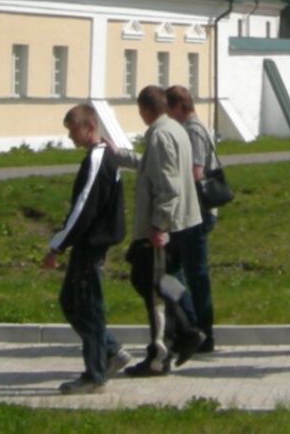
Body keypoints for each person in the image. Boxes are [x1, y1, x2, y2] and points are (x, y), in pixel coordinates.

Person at [40, 104, 129, 394]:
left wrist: (57, 246)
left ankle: (95, 374)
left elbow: (83, 208)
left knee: (88, 306)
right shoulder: (104, 155)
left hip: (91, 243)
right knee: (71, 301)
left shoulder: (99, 159)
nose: (71, 137)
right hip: (88, 242)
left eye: (74, 130)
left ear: (90, 126)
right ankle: (111, 350)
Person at [121, 84, 204, 376]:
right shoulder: (176, 129)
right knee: (160, 280)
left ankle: (170, 345)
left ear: (145, 110)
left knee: (150, 284)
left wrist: (158, 224)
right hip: (182, 222)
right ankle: (185, 329)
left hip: (166, 226)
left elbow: (167, 186)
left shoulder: (159, 135)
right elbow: (153, 167)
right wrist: (118, 154)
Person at [165, 84, 220, 353]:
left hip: (197, 212)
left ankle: (202, 330)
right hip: (187, 213)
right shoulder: (188, 129)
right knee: (170, 270)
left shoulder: (193, 130)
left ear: (178, 107)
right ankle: (188, 323)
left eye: (169, 109)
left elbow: (196, 172)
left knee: (196, 275)